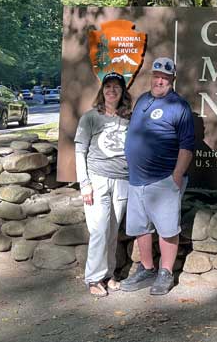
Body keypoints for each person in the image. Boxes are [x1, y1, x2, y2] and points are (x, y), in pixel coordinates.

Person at [121, 57, 194, 295]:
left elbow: (186, 146)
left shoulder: (179, 106)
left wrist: (176, 176)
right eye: (156, 76)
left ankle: (165, 273)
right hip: (136, 180)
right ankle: (147, 268)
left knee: (167, 229)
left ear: (172, 80)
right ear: (151, 77)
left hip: (163, 180)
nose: (159, 80)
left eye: (165, 77)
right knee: (141, 228)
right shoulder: (143, 100)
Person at [74, 72, 132, 297]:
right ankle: (93, 278)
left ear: (122, 92)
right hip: (97, 179)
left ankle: (108, 275)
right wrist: (84, 183)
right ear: (102, 91)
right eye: (108, 86)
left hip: (122, 180)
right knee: (99, 230)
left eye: (116, 87)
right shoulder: (90, 117)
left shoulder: (129, 118)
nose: (112, 90)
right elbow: (80, 151)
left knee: (112, 231)